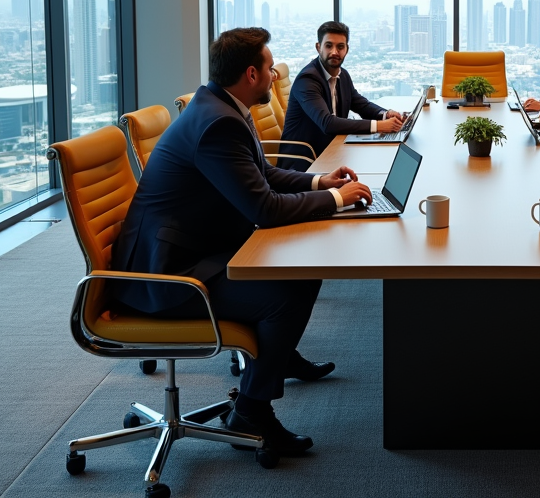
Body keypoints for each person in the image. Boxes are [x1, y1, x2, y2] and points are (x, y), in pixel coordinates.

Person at [112, 27, 374, 457]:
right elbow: (263, 208)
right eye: (270, 69)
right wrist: (333, 199)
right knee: (285, 293)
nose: (275, 77)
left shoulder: (225, 106)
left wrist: (318, 180)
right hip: (168, 276)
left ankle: (278, 354)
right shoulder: (218, 123)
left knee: (303, 271)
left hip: (193, 250)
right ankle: (251, 410)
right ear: (251, 73)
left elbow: (262, 174)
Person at [281, 21, 404, 162]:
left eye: (340, 47)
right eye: (328, 46)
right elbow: (327, 123)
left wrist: (385, 115)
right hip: (305, 161)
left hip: (335, 150)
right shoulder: (308, 79)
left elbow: (361, 104)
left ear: (347, 49)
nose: (334, 52)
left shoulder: (342, 75)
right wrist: (379, 126)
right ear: (318, 47)